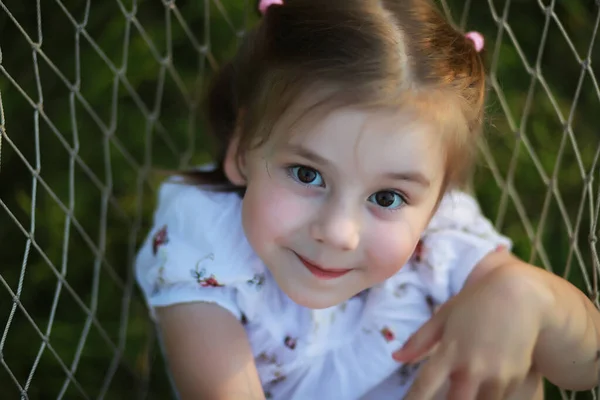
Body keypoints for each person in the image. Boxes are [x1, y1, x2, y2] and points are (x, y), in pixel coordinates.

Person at [134, 0, 600, 398]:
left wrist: (527, 295)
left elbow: (585, 369)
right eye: (306, 173)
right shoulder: (209, 250)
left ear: (437, 203)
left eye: (387, 197)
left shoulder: (441, 242)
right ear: (240, 150)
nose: (338, 232)